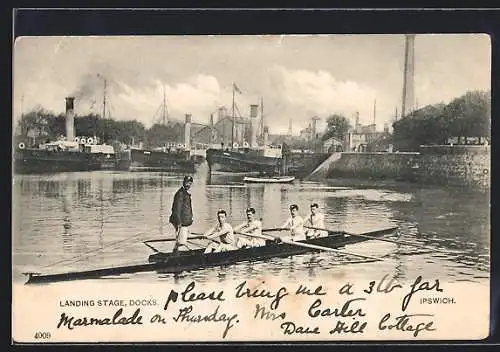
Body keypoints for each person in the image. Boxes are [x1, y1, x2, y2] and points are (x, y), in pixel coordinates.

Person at [169, 175, 194, 253]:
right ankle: (179, 259)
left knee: (179, 241)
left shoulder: (184, 193)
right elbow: (177, 209)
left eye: (190, 183)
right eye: (187, 182)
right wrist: (179, 223)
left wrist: (191, 217)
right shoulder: (180, 194)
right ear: (183, 182)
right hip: (181, 222)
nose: (188, 185)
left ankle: (175, 254)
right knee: (182, 242)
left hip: (183, 221)